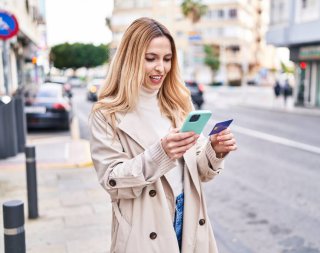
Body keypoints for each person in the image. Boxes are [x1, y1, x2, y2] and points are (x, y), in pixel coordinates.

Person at [89, 17, 237, 253]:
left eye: (167, 59)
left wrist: (214, 151)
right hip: (144, 226)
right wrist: (161, 154)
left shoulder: (178, 103)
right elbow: (112, 181)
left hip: (189, 217)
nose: (161, 68)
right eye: (151, 58)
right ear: (131, 58)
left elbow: (199, 170)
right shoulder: (107, 114)